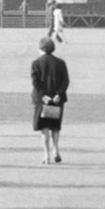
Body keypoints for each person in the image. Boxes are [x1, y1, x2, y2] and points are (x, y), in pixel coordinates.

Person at [30, 36, 69, 164]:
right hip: (57, 100)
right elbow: (65, 81)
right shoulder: (61, 63)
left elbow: (36, 82)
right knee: (55, 127)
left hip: (42, 100)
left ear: (41, 48)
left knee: (44, 128)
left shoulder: (36, 63)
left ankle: (46, 155)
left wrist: (43, 96)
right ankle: (56, 149)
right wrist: (59, 94)